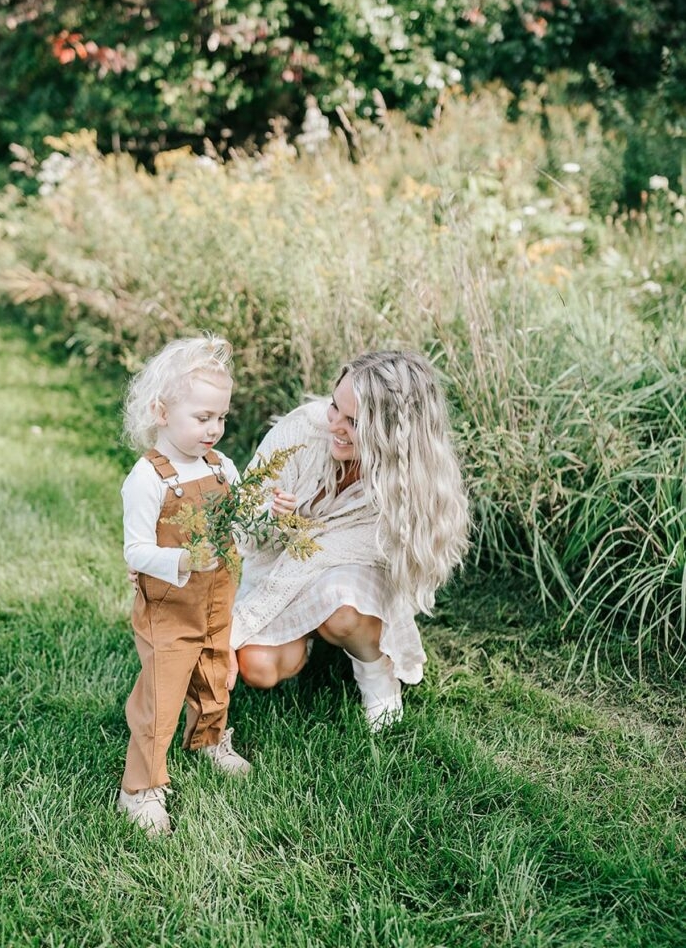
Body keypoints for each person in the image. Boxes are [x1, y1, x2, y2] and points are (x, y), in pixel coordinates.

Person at [232, 350, 470, 731]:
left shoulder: (406, 487)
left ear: (392, 435)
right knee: (259, 669)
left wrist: (231, 631)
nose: (334, 426)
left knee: (341, 608)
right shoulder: (302, 431)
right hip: (282, 564)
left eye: (353, 421)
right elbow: (243, 517)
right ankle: (309, 635)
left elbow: (332, 555)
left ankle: (375, 669)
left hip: (347, 578)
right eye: (333, 407)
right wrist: (272, 519)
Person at [118, 335, 251, 837]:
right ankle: (140, 788)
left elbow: (240, 520)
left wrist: (266, 512)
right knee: (162, 694)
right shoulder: (147, 478)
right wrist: (182, 557)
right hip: (171, 608)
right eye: (202, 418)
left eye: (220, 417)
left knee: (216, 673)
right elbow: (135, 550)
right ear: (161, 411)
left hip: (218, 600)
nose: (214, 429)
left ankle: (209, 738)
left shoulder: (222, 467)